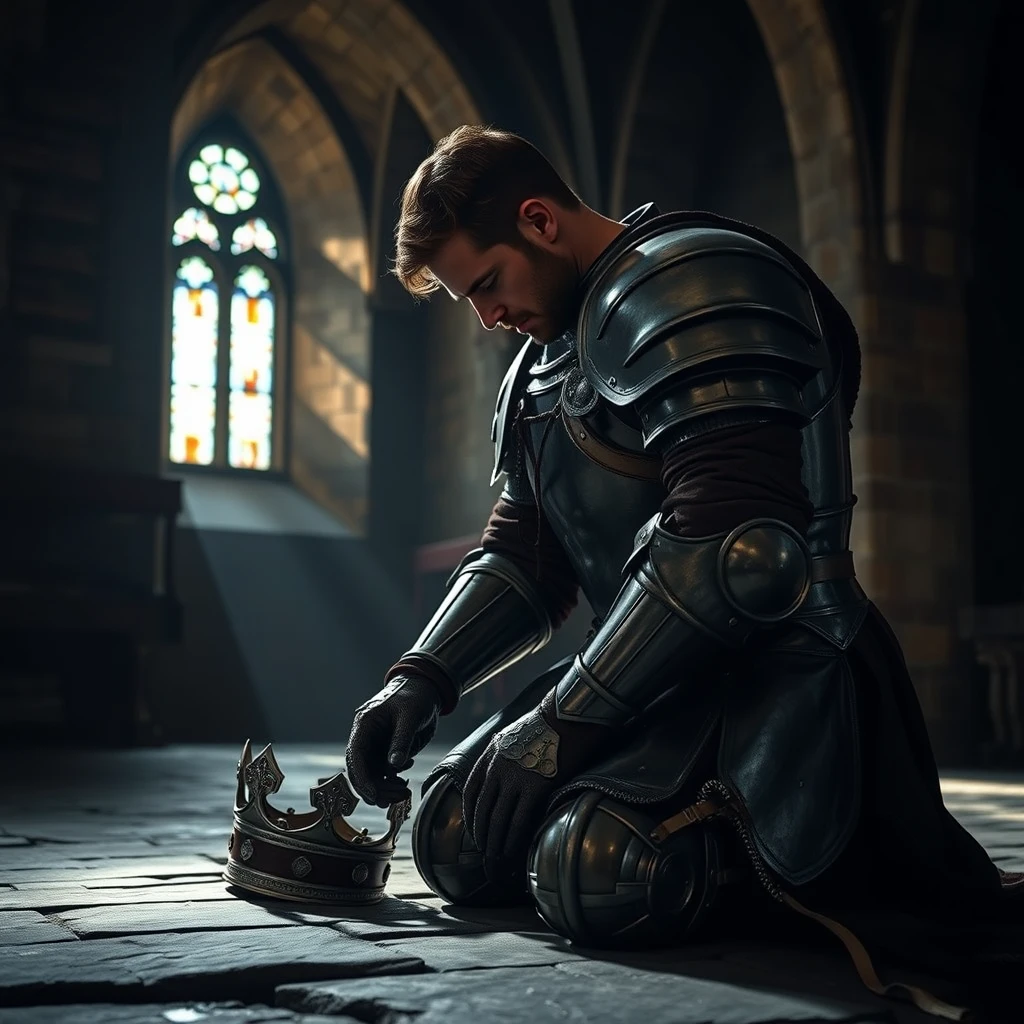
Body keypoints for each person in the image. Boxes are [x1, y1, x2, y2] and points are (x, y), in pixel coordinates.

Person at [344, 125, 1021, 1019]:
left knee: (599, 872)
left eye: (486, 284)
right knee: (457, 835)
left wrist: (552, 728)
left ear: (539, 220)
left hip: (784, 677)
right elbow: (526, 551)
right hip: (650, 679)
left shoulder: (691, 281)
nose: (488, 318)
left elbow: (736, 550)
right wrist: (418, 683)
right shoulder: (537, 363)